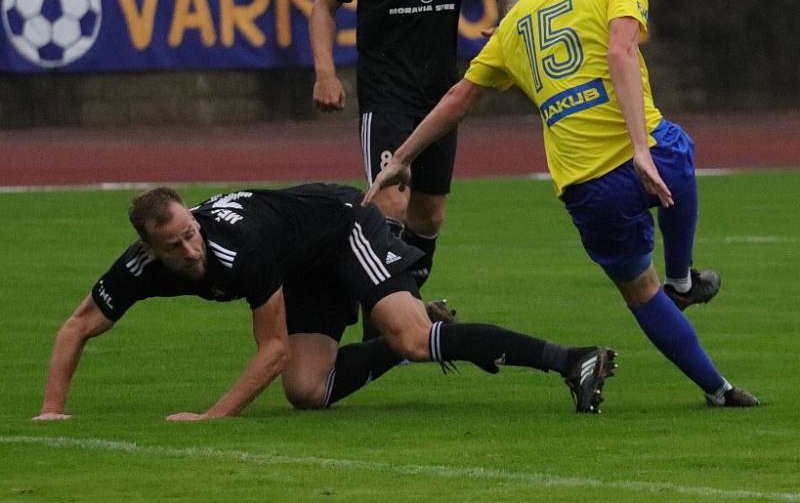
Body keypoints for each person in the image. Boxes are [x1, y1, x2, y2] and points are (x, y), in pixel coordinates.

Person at [365, 0, 759, 409]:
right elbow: (621, 50)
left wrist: (402, 158)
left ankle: (718, 388)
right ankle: (682, 279)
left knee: (641, 290)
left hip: (585, 185)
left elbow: (459, 98)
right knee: (677, 152)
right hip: (642, 154)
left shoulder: (519, 17)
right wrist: (639, 148)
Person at [34, 183, 617, 422]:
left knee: (414, 341)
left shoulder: (239, 248)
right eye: (175, 244)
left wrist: (211, 419)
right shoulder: (139, 267)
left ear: (192, 214)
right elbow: (76, 325)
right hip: (301, 263)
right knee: (308, 393)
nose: (191, 248)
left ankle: (572, 360)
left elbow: (273, 350)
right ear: (148, 248)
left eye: (191, 231)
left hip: (341, 228)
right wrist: (52, 412)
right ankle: (414, 325)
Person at [310, 0, 521, 300]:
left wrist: (507, 19)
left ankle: (404, 313)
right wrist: (325, 72)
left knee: (429, 215)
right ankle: (385, 322)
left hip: (441, 93)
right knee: (389, 204)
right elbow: (324, 7)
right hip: (387, 92)